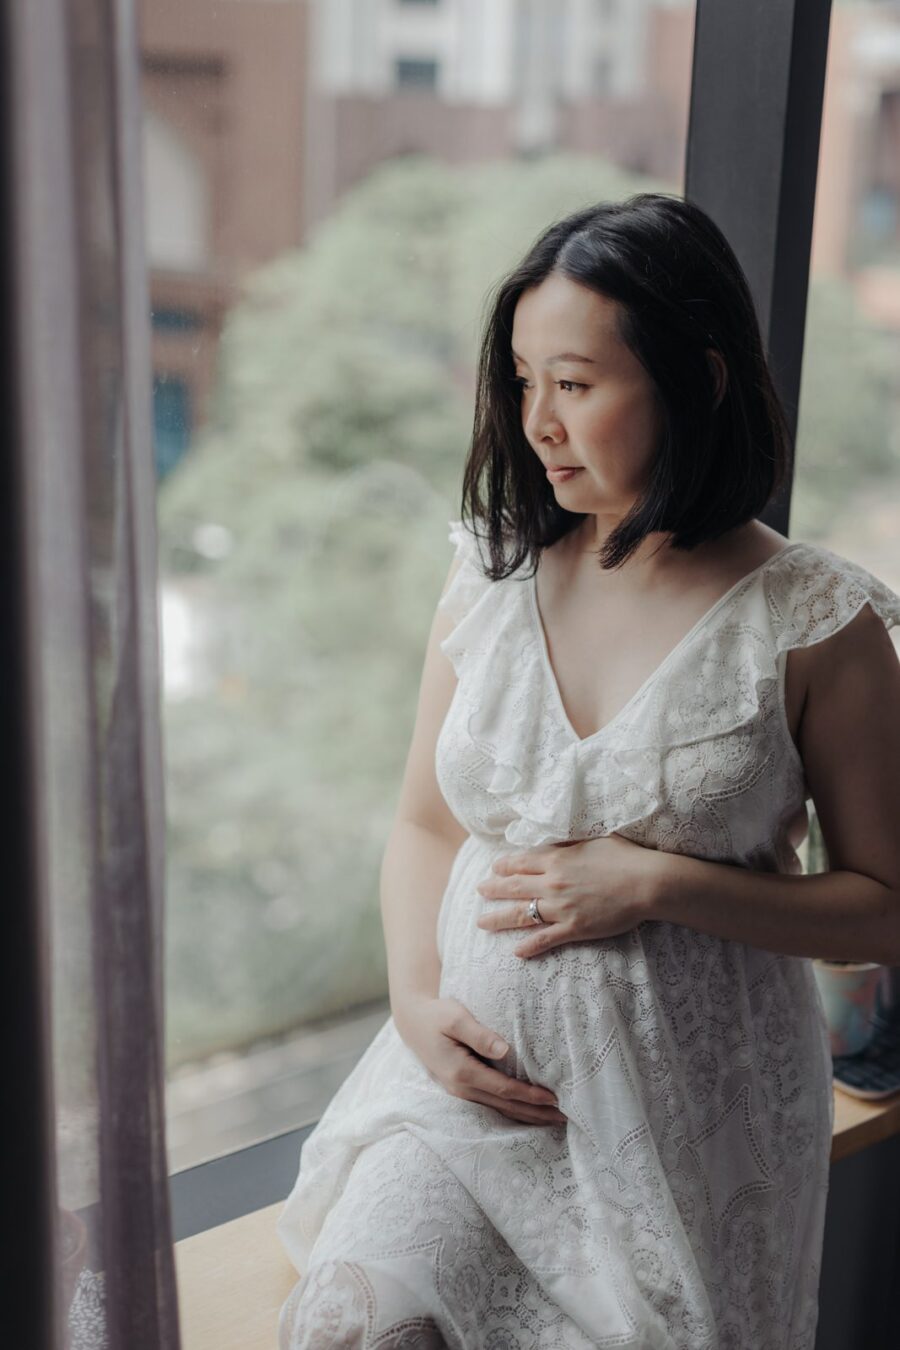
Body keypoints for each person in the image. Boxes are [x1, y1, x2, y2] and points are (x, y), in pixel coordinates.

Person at [276, 192, 900, 1349]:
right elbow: (423, 827)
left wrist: (657, 884)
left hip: (687, 1140)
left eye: (574, 384)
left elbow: (885, 911)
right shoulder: (490, 574)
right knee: (349, 1326)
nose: (536, 424)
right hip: (460, 1107)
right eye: (521, 382)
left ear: (697, 378)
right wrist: (417, 1004)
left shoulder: (819, 622)